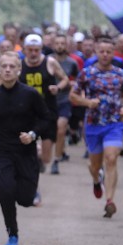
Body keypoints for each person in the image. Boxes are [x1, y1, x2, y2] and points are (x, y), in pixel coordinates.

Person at [0, 52, 53, 245]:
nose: (8, 70)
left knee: (26, 199)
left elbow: (46, 118)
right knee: (5, 190)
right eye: (4, 66)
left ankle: (30, 192)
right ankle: (12, 233)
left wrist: (33, 134)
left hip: (26, 152)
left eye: (12, 66)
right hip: (4, 151)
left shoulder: (30, 94)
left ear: (19, 70)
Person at [69, 37, 123, 219]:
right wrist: (87, 102)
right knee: (95, 166)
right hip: (93, 124)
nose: (105, 55)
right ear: (96, 52)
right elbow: (73, 96)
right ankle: (96, 180)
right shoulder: (87, 73)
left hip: (114, 123)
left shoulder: (121, 74)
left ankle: (109, 201)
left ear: (114, 53)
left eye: (108, 51)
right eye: (101, 51)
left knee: (111, 159)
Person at [19, 33, 69, 188]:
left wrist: (57, 88)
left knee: (46, 157)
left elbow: (65, 79)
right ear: (24, 50)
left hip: (47, 112)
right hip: (27, 112)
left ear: (41, 49)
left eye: (37, 50)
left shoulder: (50, 62)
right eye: (30, 50)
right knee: (30, 147)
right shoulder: (19, 65)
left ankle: (39, 159)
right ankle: (31, 179)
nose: (33, 53)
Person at [50, 34, 80, 174]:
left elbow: (78, 80)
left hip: (64, 100)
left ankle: (56, 160)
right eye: (57, 43)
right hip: (47, 101)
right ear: (53, 45)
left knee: (61, 129)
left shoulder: (72, 63)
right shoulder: (47, 61)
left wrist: (73, 86)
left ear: (67, 45)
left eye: (63, 43)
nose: (60, 46)